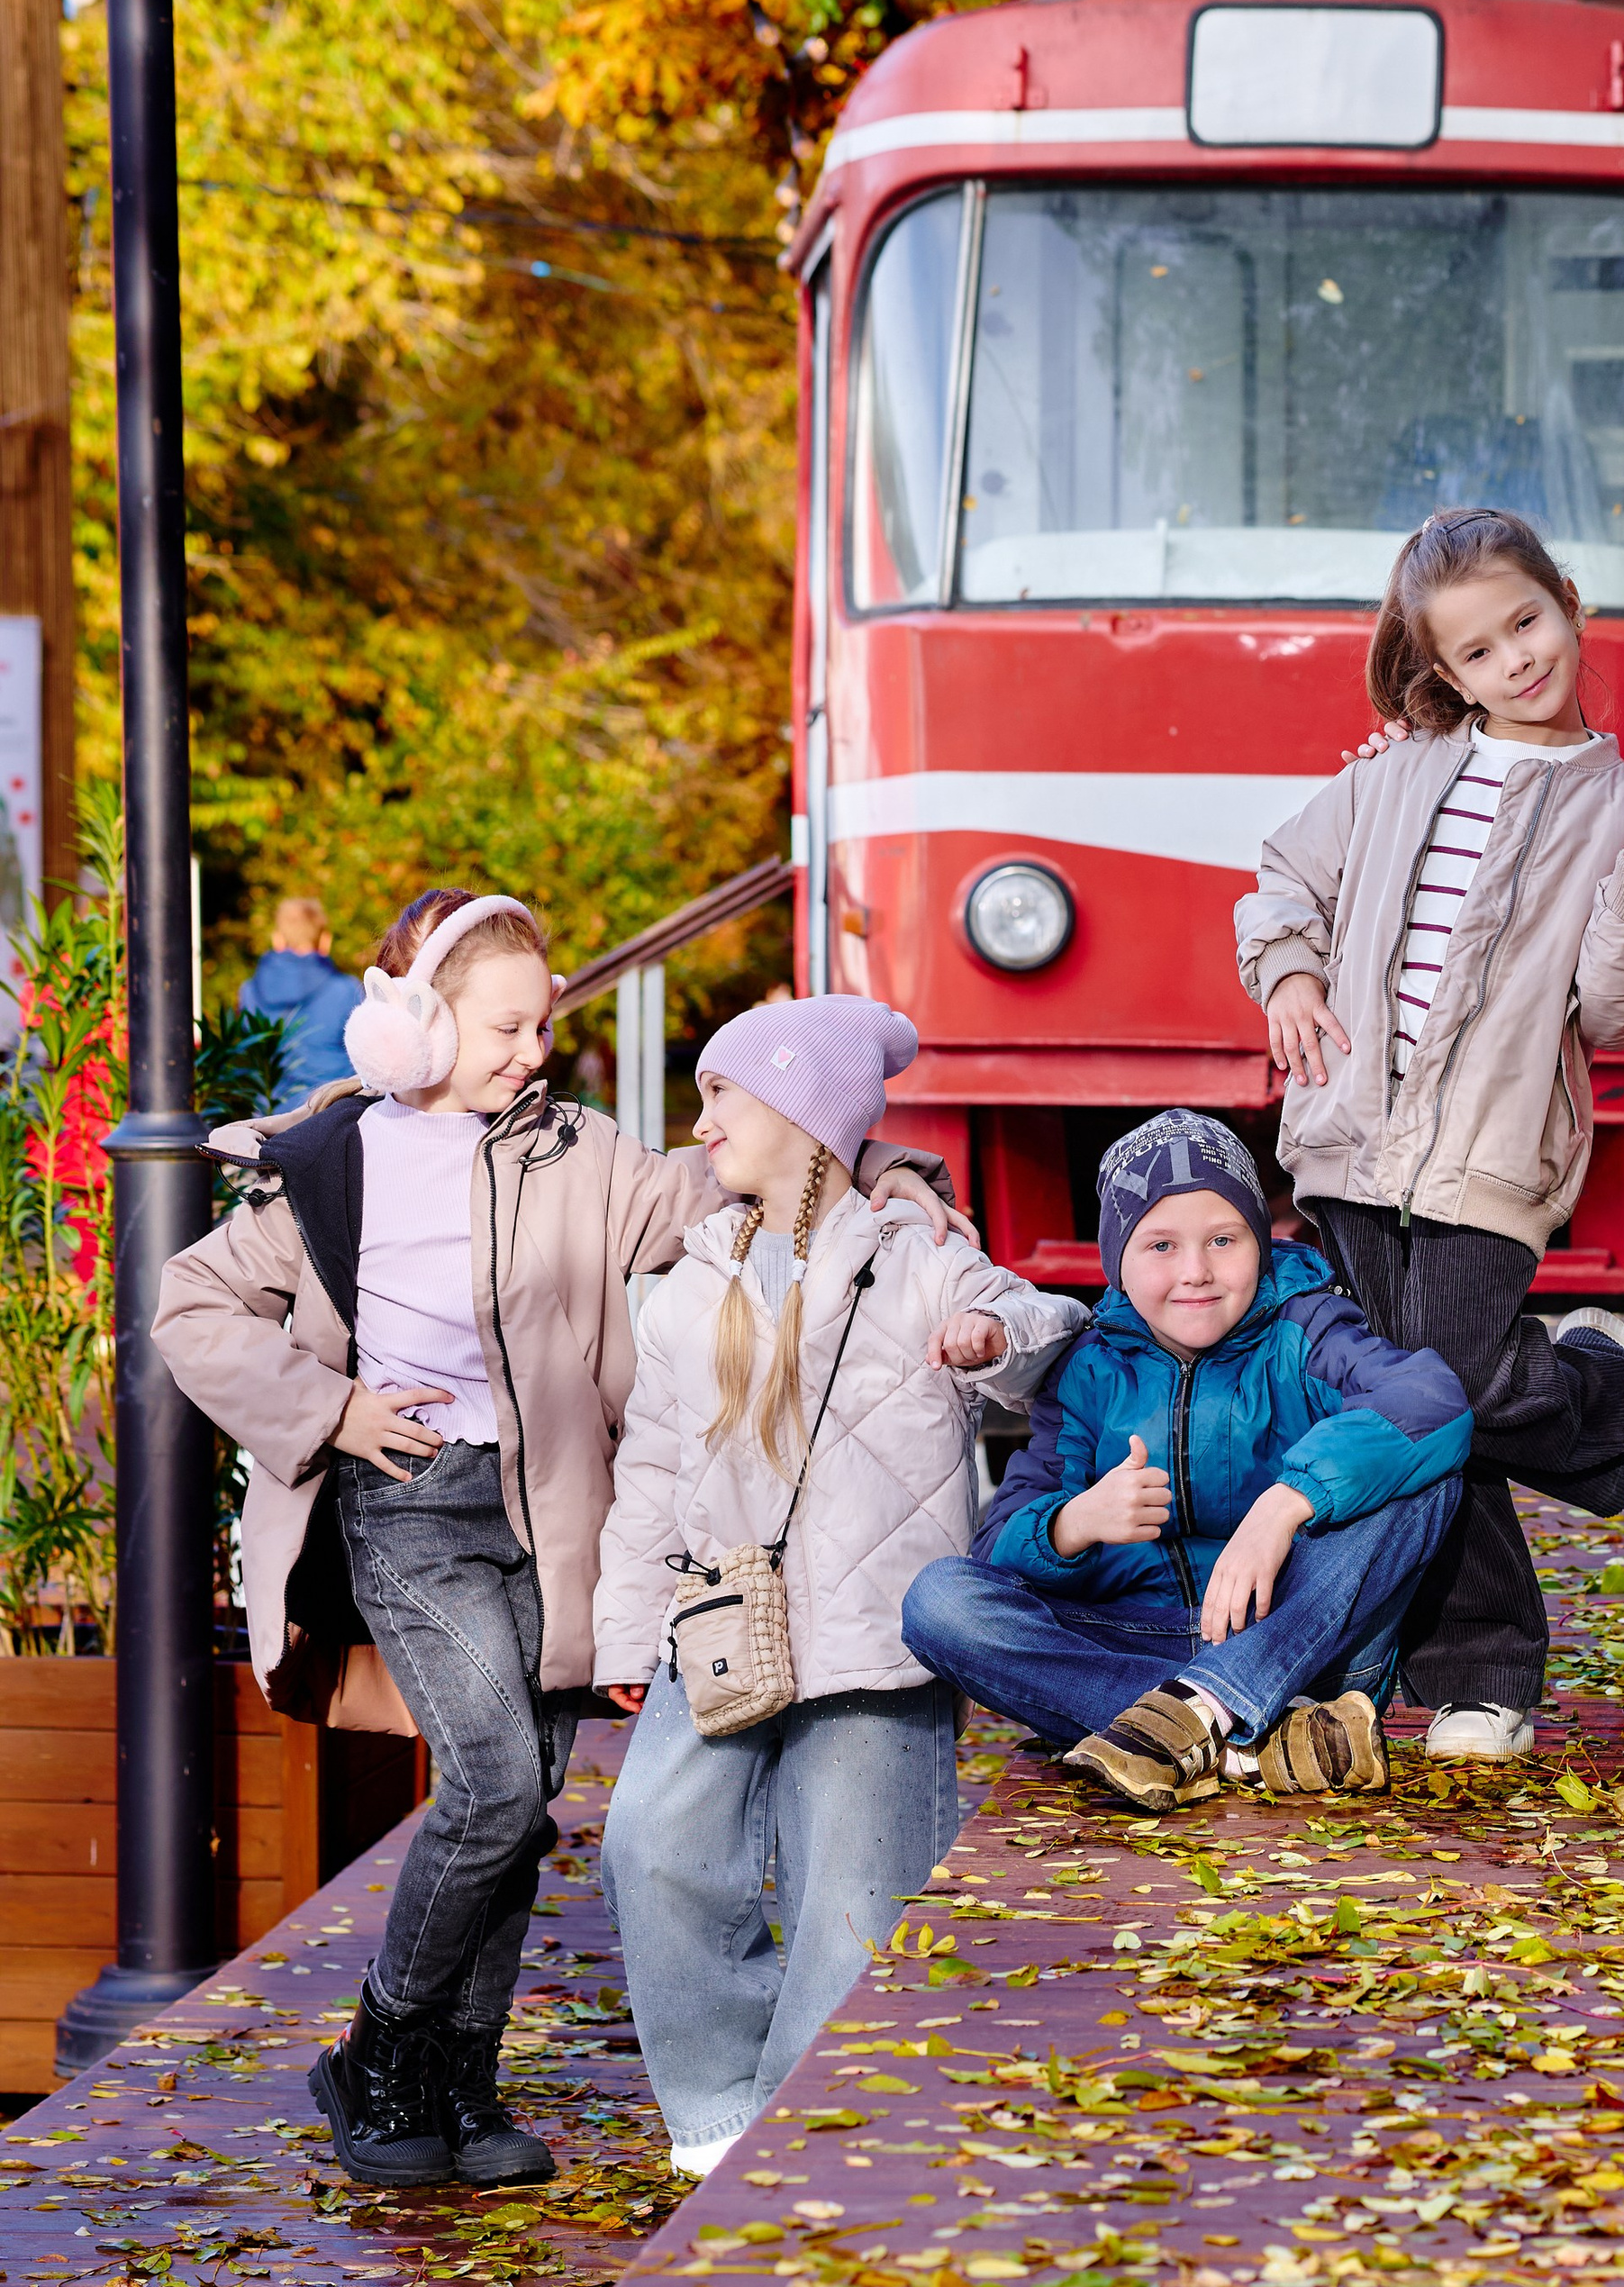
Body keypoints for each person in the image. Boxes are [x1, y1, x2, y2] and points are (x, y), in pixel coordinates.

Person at [152, 888, 958, 2192]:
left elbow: (734, 1172)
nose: (534, 1051)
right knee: (495, 1786)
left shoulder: (577, 1152)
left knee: (519, 1805)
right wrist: (333, 1410)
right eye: (507, 1026)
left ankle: (462, 2088)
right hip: (411, 1502)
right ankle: (381, 2054)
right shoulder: (329, 1162)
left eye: (545, 1024)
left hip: (552, 1515)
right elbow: (190, 1305)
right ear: (415, 1024)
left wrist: (889, 1169)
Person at [1232, 505, 1624, 1766]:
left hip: (1492, 1159)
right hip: (1347, 1138)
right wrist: (1287, 974)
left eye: (1528, 622)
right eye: (1481, 652)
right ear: (1444, 673)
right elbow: (1286, 881)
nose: (1518, 659)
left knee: (1441, 1391)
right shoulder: (1390, 773)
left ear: (1568, 600)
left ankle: (1607, 1393)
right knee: (1411, 1405)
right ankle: (1479, 1678)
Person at [592, 999, 1084, 2175]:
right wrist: (623, 1628)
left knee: (855, 1899)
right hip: (719, 1626)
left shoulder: (916, 1259)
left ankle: (809, 2131)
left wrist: (988, 1333)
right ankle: (715, 2107)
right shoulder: (689, 1283)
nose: (699, 1121)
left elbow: (1047, 1322)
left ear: (806, 1114)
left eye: (723, 1095)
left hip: (873, 1642)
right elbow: (651, 1462)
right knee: (650, 1843)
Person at [903, 1110, 1474, 1817]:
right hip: (1129, 1645)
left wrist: (1285, 1505)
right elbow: (998, 1552)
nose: (1196, 1272)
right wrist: (1075, 1524)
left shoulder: (1305, 1330)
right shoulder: (1089, 1370)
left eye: (1223, 1240)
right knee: (938, 1601)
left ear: (1260, 1244)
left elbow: (1430, 1402)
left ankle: (1199, 1715)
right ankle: (1244, 1737)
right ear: (1118, 1260)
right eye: (1162, 1245)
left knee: (1423, 1477)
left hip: (1296, 1644)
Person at [239, 895, 364, 1106]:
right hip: (329, 1115)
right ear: (326, 940)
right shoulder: (347, 990)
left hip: (266, 1120)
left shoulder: (248, 992)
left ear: (277, 939)